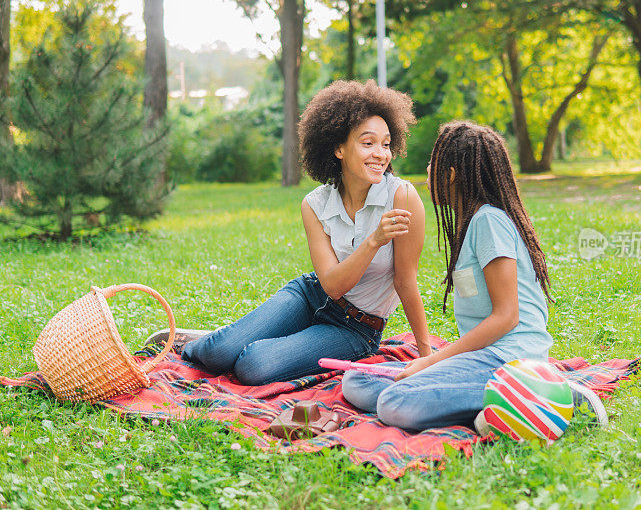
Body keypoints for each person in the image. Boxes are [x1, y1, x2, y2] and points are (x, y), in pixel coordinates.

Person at [161, 80, 431, 386]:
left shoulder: (402, 197)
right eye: (368, 143)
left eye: (385, 144)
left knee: (253, 365)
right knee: (217, 354)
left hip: (356, 329)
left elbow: (405, 281)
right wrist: (374, 241)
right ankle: (207, 342)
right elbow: (331, 286)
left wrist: (427, 356)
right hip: (310, 295)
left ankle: (238, 340)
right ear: (339, 148)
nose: (381, 154)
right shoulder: (315, 204)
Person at [341, 121, 606, 431]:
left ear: (450, 175)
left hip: (509, 359)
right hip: (485, 358)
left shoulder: (488, 221)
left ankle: (542, 396)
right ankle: (500, 405)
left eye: (432, 166)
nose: (427, 174)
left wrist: (432, 361)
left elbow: (507, 316)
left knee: (394, 404)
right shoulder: (471, 224)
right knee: (357, 381)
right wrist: (435, 363)